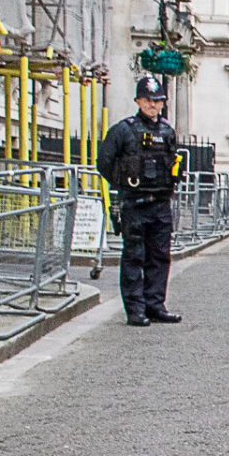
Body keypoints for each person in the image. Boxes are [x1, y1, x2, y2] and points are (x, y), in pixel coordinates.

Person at [98, 73, 183, 327]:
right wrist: (122, 183)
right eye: (147, 100)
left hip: (160, 203)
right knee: (134, 256)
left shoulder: (167, 131)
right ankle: (135, 309)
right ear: (137, 100)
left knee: (160, 256)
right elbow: (104, 161)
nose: (152, 105)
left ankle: (155, 305)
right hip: (135, 203)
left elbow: (173, 163)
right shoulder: (123, 130)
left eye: (157, 100)